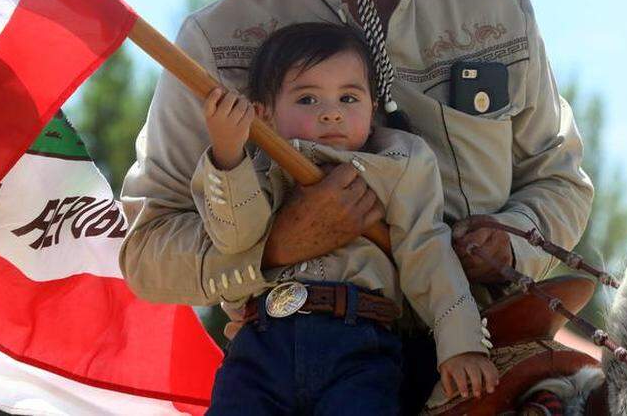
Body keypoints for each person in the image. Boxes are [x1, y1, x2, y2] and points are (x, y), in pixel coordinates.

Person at [113, 0, 593, 411]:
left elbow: (561, 177)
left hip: (485, 344)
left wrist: (509, 244)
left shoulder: (495, 9)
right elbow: (146, 252)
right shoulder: (215, 42)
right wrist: (279, 243)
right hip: (301, 349)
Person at [196, 23, 496, 413]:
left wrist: (462, 344)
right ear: (263, 115)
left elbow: (427, 251)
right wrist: (227, 155)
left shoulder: (398, 163)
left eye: (349, 98)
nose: (332, 114)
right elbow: (237, 240)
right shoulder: (253, 170)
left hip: (358, 343)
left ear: (373, 108)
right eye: (307, 100)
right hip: (260, 345)